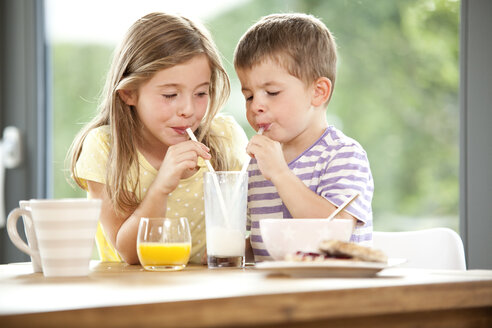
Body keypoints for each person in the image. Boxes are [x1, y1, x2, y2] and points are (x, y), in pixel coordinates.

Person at [69, 12, 248, 265]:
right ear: (129, 93)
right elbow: (129, 254)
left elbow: (248, 224)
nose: (188, 109)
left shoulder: (223, 138)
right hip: (132, 294)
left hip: (208, 293)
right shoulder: (105, 149)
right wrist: (162, 186)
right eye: (170, 95)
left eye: (200, 93)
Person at [233, 13, 374, 262]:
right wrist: (233, 249)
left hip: (337, 294)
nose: (256, 106)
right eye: (249, 96)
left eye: (272, 92)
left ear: (318, 92)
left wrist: (280, 174)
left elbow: (336, 233)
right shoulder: (258, 164)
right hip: (277, 294)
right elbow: (262, 240)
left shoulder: (343, 155)